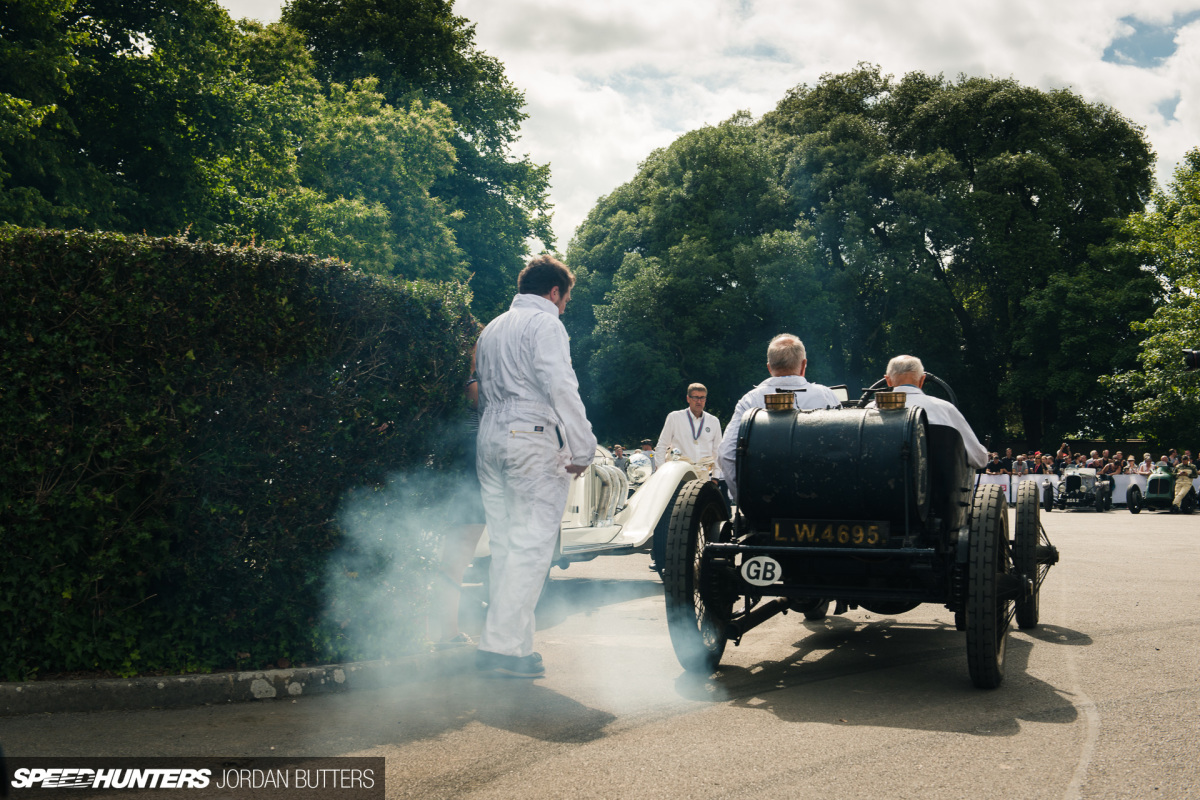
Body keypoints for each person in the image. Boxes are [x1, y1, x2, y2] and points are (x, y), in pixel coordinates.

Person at [473, 255, 596, 679]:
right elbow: (560, 384)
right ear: (555, 291)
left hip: (489, 435)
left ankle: (516, 648)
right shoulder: (546, 323)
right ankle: (500, 647)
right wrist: (583, 446)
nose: (565, 307)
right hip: (529, 433)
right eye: (566, 299)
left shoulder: (491, 328)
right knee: (532, 547)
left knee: (506, 546)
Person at [716, 334, 840, 502]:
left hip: (766, 503)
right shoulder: (827, 396)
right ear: (804, 365)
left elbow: (726, 454)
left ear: (769, 367)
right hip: (823, 501)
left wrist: (744, 500)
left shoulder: (750, 400)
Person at [428, 336, 486, 649]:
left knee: (454, 558)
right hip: (471, 471)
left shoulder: (447, 382)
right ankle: (447, 633)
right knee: (457, 558)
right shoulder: (470, 384)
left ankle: (445, 631)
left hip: (462, 470)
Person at [876, 355, 989, 470]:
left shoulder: (868, 411)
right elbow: (980, 460)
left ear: (888, 381)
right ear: (922, 380)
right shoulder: (946, 409)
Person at [654, 383, 723, 481]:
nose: (699, 401)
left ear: (705, 399)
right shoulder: (675, 417)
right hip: (679, 475)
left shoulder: (713, 421)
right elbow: (662, 445)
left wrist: (716, 477)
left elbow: (717, 451)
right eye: (695, 397)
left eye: (702, 398)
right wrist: (662, 472)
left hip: (704, 475)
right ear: (688, 399)